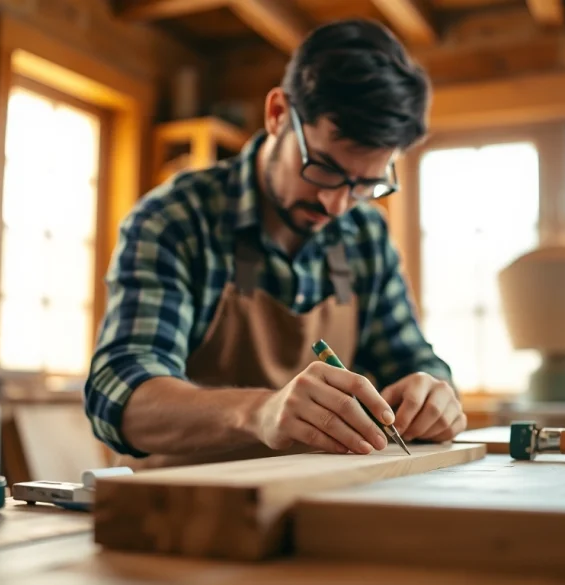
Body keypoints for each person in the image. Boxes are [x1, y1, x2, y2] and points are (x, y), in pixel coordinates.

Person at [83, 18, 465, 468]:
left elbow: (412, 360)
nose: (337, 204)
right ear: (279, 114)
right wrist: (260, 412)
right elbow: (119, 393)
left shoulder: (364, 234)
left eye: (365, 184)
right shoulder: (177, 219)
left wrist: (432, 394)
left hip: (321, 506)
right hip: (181, 517)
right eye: (323, 168)